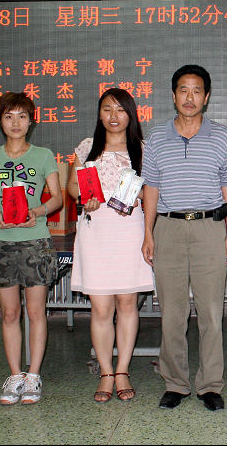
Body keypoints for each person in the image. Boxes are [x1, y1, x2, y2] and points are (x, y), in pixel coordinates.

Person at [141, 64, 227, 411]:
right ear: (173, 95)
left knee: (211, 312)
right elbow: (151, 188)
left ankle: (210, 384)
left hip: (209, 228)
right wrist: (148, 233)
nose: (190, 97)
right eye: (183, 90)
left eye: (197, 90)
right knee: (172, 313)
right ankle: (176, 383)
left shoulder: (222, 136)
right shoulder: (156, 137)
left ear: (206, 97)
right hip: (167, 228)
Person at [0, 91, 63, 405]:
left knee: (36, 312)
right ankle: (15, 375)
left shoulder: (43, 155)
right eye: (9, 116)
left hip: (35, 241)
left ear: (31, 121)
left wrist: (38, 211)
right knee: (10, 313)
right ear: (0, 121)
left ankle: (34, 375)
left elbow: (57, 198)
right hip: (1, 242)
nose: (15, 123)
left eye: (22, 116)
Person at [67, 88, 155, 403]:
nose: (114, 116)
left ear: (131, 114)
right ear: (99, 113)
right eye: (107, 109)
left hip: (129, 230)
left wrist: (139, 198)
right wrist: (83, 197)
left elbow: (152, 191)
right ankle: (106, 372)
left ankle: (123, 370)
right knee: (101, 307)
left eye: (120, 110)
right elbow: (72, 185)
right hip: (96, 231)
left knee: (128, 304)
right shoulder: (87, 146)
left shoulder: (143, 149)